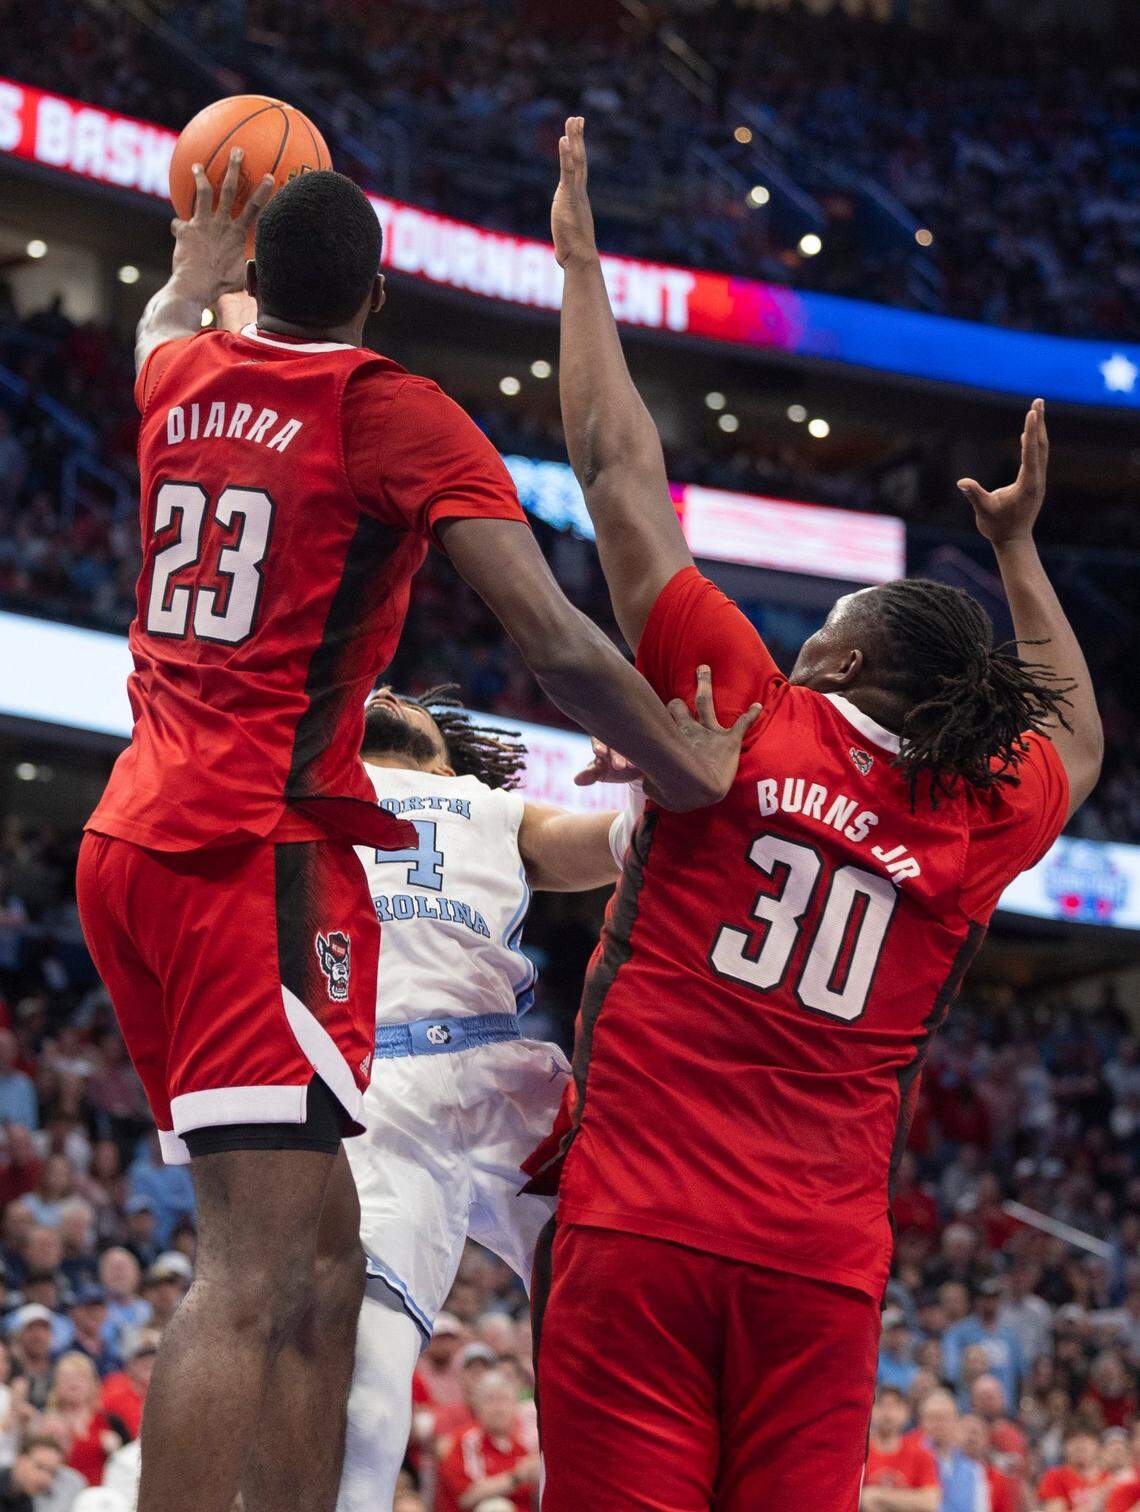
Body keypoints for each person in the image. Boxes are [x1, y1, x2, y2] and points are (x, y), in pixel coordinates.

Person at [75, 148, 753, 1512]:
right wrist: (683, 761)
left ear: (255, 282)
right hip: (241, 851)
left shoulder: (178, 377)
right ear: (377, 294)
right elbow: (556, 641)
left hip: (139, 832)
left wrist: (189, 275)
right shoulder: (390, 410)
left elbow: (161, 320)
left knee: (326, 1261)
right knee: (259, 1279)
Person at [530, 117, 1103, 1512]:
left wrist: (584, 263)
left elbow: (616, 475)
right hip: (821, 1272)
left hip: (642, 1232)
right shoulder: (976, 817)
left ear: (841, 661)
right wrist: (1020, 552)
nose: (799, 639)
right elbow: (1077, 735)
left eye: (821, 627)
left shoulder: (745, 707)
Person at [336, 686, 644, 1510]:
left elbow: (626, 844)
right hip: (381, 1086)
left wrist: (642, 777)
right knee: (366, 1379)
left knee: (620, 1307)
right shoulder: (318, 776)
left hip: (504, 1078)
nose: (391, 691)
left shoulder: (499, 811)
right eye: (380, 686)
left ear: (448, 751)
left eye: (409, 695)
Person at [435, 1371, 538, 1512]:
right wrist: (517, 1477)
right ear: (477, 1407)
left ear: (515, 1406)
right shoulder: (467, 1441)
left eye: (504, 1400)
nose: (498, 1408)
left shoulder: (524, 1445)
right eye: (491, 1400)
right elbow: (467, 1496)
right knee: (495, 1508)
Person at [44, 1352, 123, 1486]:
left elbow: (127, 1463)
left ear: (92, 1384)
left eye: (80, 1377)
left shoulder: (110, 1421)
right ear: (56, 1385)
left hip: (100, 1496)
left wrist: (116, 1450)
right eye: (67, 1378)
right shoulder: (46, 1422)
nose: (73, 1383)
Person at [861, 1388, 940, 1510]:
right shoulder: (859, 1454)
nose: (887, 1413)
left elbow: (930, 1502)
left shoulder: (921, 1454)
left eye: (894, 1406)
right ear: (871, 1410)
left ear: (905, 1413)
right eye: (881, 1405)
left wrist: (876, 1495)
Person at [917, 1390, 988, 1512]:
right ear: (922, 1422)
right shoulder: (911, 1458)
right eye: (932, 1418)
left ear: (955, 1421)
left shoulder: (973, 1469)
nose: (938, 1425)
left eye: (944, 1418)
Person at [1037, 1430, 1109, 1511]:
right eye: (1073, 1440)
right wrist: (1091, 1506)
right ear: (1064, 1446)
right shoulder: (1056, 1476)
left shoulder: (1110, 1477)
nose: (1080, 1446)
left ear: (1099, 1445)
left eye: (1086, 1440)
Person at [0, 1435, 64, 1512]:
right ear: (20, 1460)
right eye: (40, 1467)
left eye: (52, 1473)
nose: (45, 1478)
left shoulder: (28, 1499)